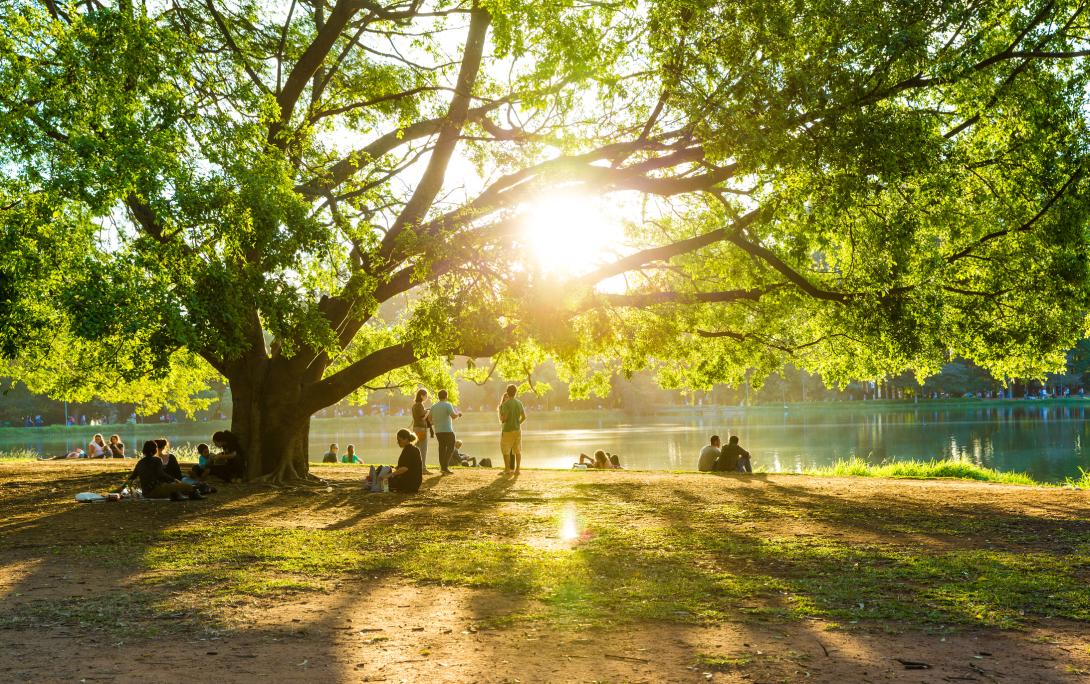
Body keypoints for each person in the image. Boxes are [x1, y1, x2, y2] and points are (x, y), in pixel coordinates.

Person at [126, 440, 202, 500]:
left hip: (145, 493)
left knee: (175, 488)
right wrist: (174, 479)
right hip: (156, 490)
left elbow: (132, 477)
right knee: (188, 487)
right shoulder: (157, 460)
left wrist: (120, 488)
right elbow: (161, 474)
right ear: (154, 450)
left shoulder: (140, 462)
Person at [373, 429, 423, 493]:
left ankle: (376, 484)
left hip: (409, 484)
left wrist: (389, 475)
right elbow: (410, 466)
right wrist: (397, 467)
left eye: (399, 440)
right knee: (385, 471)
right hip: (415, 482)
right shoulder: (413, 449)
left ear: (406, 439)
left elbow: (404, 468)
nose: (398, 442)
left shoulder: (408, 451)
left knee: (384, 477)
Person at [429, 389, 462, 475]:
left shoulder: (433, 406)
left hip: (438, 431)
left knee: (442, 448)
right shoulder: (448, 405)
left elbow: (429, 419)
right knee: (451, 447)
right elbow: (453, 416)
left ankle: (442, 467)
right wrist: (458, 414)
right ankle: (445, 466)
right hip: (447, 430)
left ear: (438, 397)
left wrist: (435, 422)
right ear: (446, 396)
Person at [498, 384, 526, 472]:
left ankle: (507, 469)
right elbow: (524, 417)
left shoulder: (505, 404)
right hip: (517, 430)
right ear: (515, 392)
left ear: (507, 392)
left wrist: (502, 418)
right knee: (517, 450)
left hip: (507, 430)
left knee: (505, 450)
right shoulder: (519, 403)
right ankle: (517, 469)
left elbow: (505, 418)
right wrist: (518, 423)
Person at [411, 389, 433, 474]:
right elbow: (423, 417)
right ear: (421, 396)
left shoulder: (414, 405)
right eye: (426, 396)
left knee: (416, 449)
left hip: (415, 429)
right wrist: (428, 412)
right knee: (423, 448)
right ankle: (423, 468)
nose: (426, 397)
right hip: (421, 429)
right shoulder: (419, 405)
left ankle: (416, 467)